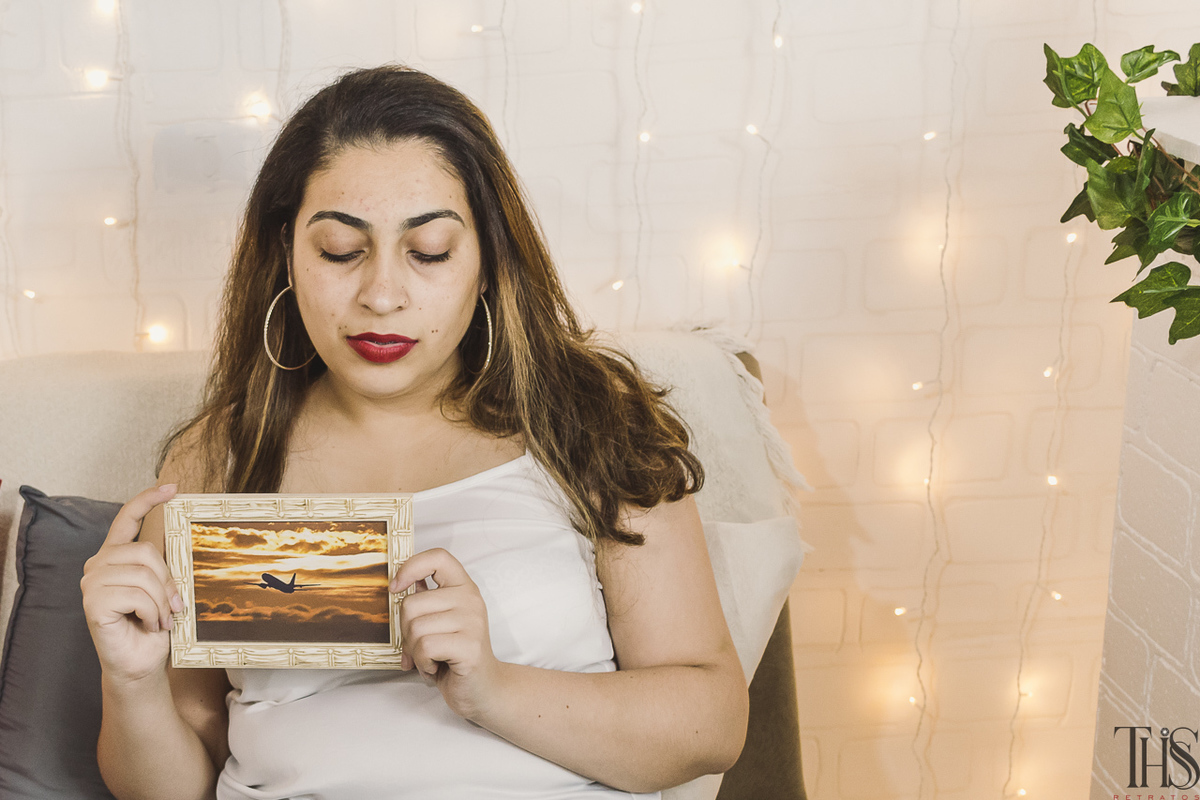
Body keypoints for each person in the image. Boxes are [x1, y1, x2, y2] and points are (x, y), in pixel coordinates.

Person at [80, 64, 748, 800]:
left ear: (488, 260)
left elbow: (711, 724)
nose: (383, 295)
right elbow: (172, 787)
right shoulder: (219, 456)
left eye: (428, 251)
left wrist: (493, 689)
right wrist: (132, 677)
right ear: (287, 256)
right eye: (340, 251)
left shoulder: (589, 425)